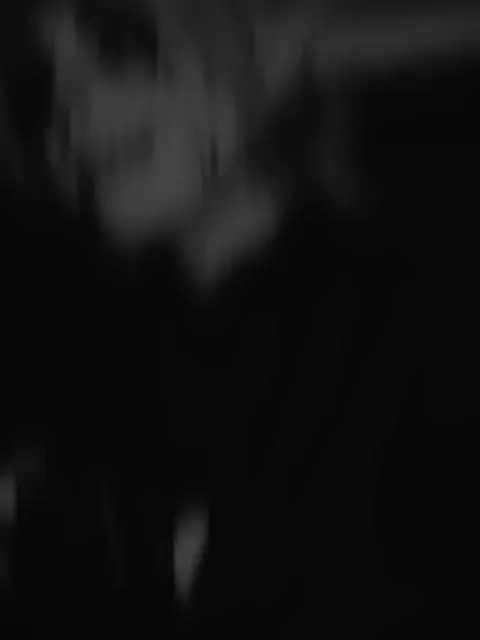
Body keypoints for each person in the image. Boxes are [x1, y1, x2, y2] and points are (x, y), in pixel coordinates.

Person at [1, 0, 478, 636]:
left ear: (260, 54)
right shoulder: (89, 375)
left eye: (123, 50)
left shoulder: (425, 321)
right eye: (38, 83)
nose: (70, 104)